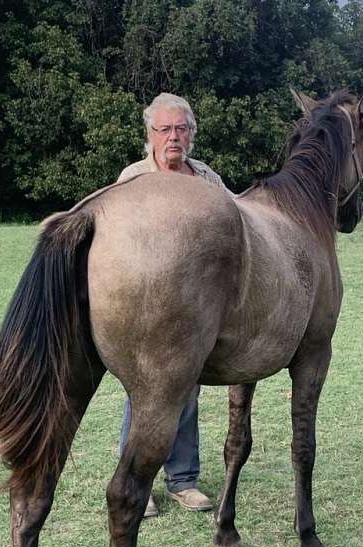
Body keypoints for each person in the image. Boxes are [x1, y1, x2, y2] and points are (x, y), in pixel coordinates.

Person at [115, 93, 229, 518]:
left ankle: (183, 480)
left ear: (191, 134)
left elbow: (236, 226)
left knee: (189, 390)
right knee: (143, 393)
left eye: (181, 129)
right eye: (164, 129)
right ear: (150, 135)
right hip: (144, 307)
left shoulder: (207, 179)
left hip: (195, 310)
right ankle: (137, 485)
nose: (173, 137)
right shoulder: (133, 179)